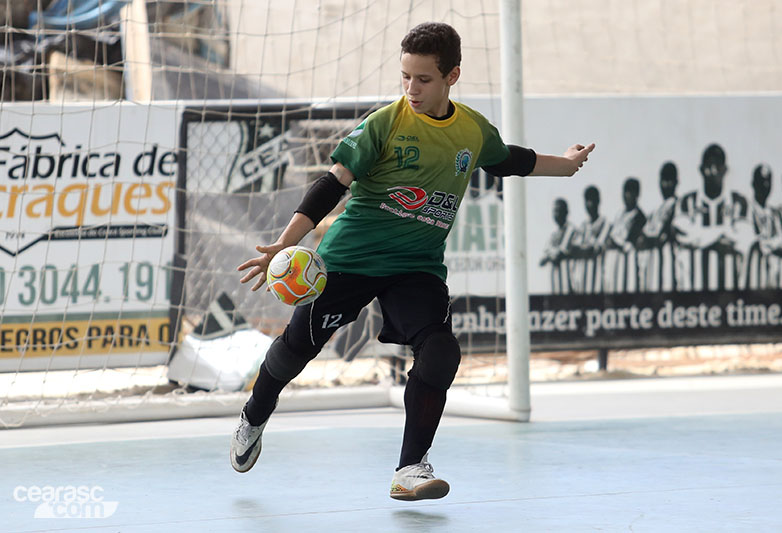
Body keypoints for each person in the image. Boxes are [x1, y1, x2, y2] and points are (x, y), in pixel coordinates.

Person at [230, 22, 594, 501]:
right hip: (349, 260)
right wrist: (284, 243)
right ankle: (254, 414)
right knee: (297, 349)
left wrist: (565, 165)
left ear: (452, 76)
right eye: (405, 77)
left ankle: (410, 469)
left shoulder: (471, 129)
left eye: (423, 79)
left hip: (417, 266)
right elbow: (331, 183)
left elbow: (509, 160)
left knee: (442, 352)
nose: (411, 88)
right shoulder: (384, 124)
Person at [673, 144, 748, 291]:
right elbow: (682, 234)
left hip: (731, 292)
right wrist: (721, 235)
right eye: (708, 166)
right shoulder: (687, 202)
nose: (712, 172)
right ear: (701, 170)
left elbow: (743, 238)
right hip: (693, 292)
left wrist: (700, 237)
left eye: (717, 166)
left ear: (725, 170)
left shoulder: (739, 202)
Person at [636, 162, 679, 292]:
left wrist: (648, 238)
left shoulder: (677, 206)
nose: (665, 185)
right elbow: (641, 238)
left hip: (668, 266)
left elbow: (661, 236)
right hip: (651, 267)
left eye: (669, 181)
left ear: (676, 182)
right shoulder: (656, 211)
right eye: (663, 180)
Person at [603, 177, 646, 293]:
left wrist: (615, 242)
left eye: (630, 192)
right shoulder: (619, 214)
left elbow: (630, 242)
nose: (626, 196)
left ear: (636, 195)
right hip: (613, 262)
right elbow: (610, 236)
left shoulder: (639, 216)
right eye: (625, 192)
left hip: (628, 263)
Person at [744, 164, 781, 289]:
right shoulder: (746, 209)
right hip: (751, 277)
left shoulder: (774, 213)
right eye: (761, 181)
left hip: (772, 278)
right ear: (753, 183)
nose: (765, 185)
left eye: (768, 181)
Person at [572, 186, 609, 294]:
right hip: (580, 280)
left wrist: (584, 249)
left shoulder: (605, 223)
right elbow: (574, 250)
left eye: (592, 200)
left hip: (598, 280)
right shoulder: (583, 226)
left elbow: (595, 249)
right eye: (587, 201)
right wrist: (585, 249)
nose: (589, 204)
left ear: (598, 201)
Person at [540, 198, 578, 294]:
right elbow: (542, 261)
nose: (556, 214)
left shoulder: (571, 229)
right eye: (554, 211)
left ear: (566, 212)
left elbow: (559, 254)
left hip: (569, 283)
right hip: (555, 284)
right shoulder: (553, 234)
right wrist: (550, 255)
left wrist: (550, 254)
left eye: (559, 210)